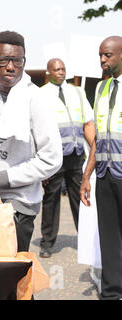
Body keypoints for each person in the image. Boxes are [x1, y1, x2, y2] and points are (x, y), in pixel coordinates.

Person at [0, 31, 63, 252]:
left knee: (12, 276)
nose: (11, 67)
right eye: (4, 60)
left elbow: (52, 159)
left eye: (17, 61)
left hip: (18, 204)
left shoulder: (35, 99)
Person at [38, 58, 95, 258]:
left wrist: (94, 146)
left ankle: (86, 240)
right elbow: (36, 129)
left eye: (63, 69)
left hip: (76, 154)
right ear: (48, 73)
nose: (61, 72)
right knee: (51, 199)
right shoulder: (41, 94)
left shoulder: (77, 92)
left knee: (80, 197)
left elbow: (88, 121)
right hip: (54, 157)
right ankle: (47, 242)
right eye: (56, 69)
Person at [80, 35, 122, 300]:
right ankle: (111, 292)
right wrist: (87, 176)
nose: (103, 60)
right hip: (105, 175)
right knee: (108, 238)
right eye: (101, 55)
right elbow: (97, 139)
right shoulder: (101, 89)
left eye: (108, 55)